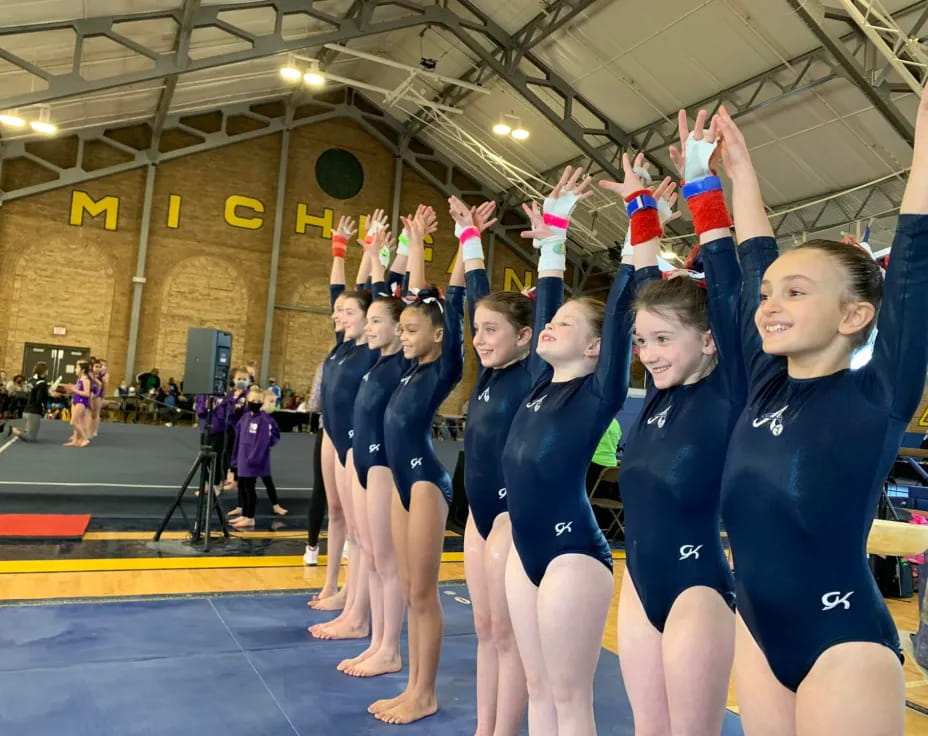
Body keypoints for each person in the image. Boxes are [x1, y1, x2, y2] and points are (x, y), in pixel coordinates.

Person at [717, 91, 928, 735]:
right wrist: (739, 174)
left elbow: (917, 255)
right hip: (756, 633)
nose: (769, 303)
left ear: (855, 315)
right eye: (769, 294)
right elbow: (753, 261)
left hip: (842, 646)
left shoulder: (877, 395)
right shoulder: (760, 387)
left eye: (796, 291)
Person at [601, 126, 743, 734]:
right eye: (641, 341)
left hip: (697, 588)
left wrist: (701, 185)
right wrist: (639, 209)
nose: (648, 353)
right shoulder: (658, 398)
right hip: (638, 581)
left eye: (663, 340)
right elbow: (644, 286)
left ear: (708, 339)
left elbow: (729, 280)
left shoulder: (728, 386)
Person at [501, 173, 635, 735]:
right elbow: (545, 301)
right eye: (548, 323)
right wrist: (552, 239)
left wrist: (640, 217)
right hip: (523, 550)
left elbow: (625, 312)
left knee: (569, 694)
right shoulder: (538, 382)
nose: (548, 327)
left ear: (596, 347)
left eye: (563, 325)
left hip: (572, 555)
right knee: (538, 689)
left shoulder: (597, 391)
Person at [370, 209, 465, 725]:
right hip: (404, 486)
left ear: (435, 335)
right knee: (409, 590)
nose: (403, 336)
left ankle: (424, 692)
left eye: (411, 330)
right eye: (401, 329)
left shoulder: (443, 365)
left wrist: (448, 243)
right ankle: (411, 685)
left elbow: (447, 305)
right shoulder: (409, 369)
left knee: (423, 592)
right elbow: (416, 297)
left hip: (426, 482)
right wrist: (413, 243)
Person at [337, 224, 411, 677]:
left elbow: (391, 293)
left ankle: (389, 646)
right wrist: (372, 250)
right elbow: (375, 295)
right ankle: (376, 638)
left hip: (383, 463)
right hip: (361, 460)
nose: (366, 325)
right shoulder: (375, 359)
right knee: (366, 548)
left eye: (377, 322)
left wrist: (405, 248)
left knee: (386, 560)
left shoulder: (399, 357)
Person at [307, 211, 381, 637]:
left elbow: (364, 292)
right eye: (336, 312)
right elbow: (341, 290)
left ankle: (354, 599)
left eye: (345, 313)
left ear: (365, 318)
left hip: (355, 441)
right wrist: (338, 246)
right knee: (335, 513)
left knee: (357, 524)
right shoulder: (339, 346)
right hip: (329, 434)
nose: (337, 315)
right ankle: (332, 582)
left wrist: (369, 251)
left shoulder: (369, 348)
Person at [228, 387, 282, 529]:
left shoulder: (263, 420)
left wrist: (252, 459)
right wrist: (235, 459)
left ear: (262, 402)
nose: (255, 403)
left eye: (258, 401)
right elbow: (238, 437)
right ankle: (245, 514)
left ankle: (250, 517)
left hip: (252, 461)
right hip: (242, 458)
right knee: (244, 487)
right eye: (252, 400)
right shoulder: (245, 417)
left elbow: (261, 443)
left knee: (249, 489)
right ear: (247, 401)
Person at [1, 362, 50, 442]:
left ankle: (11, 428)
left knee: (28, 432)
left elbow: (27, 394)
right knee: (30, 438)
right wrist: (45, 407)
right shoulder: (42, 383)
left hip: (26, 411)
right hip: (34, 412)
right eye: (47, 370)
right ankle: (11, 428)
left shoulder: (30, 380)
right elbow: (39, 399)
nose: (47, 372)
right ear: (44, 371)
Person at [65, 360, 94, 448]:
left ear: (83, 370)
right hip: (76, 400)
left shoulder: (86, 380)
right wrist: (71, 390)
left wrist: (74, 390)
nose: (75, 369)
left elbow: (87, 393)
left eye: (77, 368)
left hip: (81, 401)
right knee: (77, 422)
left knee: (73, 422)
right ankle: (75, 441)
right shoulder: (79, 379)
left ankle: (85, 439)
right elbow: (77, 390)